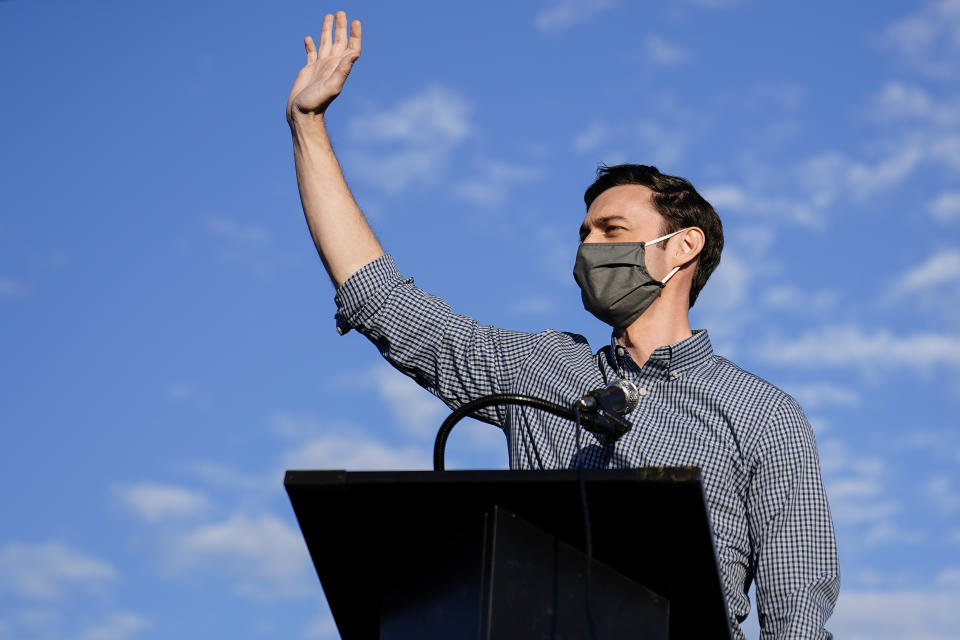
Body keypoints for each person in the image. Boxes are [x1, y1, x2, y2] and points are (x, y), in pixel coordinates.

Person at [286, 11, 840, 639]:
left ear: (682, 245)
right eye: (583, 236)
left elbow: (796, 610)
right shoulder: (544, 371)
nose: (588, 250)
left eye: (612, 232)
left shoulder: (763, 415)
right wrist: (308, 125)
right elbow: (382, 299)